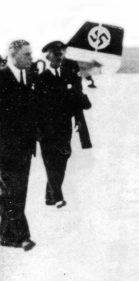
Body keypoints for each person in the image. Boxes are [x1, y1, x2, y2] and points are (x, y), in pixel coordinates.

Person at [36, 40, 92, 208]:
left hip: (64, 126)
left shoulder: (69, 76)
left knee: (62, 159)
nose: (60, 57)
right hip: (46, 129)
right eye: (56, 54)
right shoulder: (41, 79)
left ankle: (50, 195)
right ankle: (58, 196)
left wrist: (78, 117)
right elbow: (36, 106)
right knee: (50, 161)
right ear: (48, 56)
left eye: (62, 54)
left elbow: (77, 100)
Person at [0, 40, 38, 251]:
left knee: (17, 192)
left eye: (31, 54)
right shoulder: (1, 77)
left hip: (24, 148)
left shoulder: (29, 77)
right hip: (5, 149)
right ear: (13, 56)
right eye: (27, 55)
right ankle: (22, 236)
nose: (31, 58)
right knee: (12, 192)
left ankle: (6, 235)